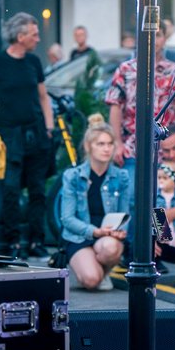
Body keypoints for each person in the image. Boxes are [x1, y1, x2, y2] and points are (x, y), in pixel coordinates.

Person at [106, 20, 175, 250]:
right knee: (134, 200)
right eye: (149, 34)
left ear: (165, 38)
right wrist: (116, 143)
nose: (154, 39)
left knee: (161, 199)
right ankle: (135, 250)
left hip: (165, 148)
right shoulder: (126, 70)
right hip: (133, 146)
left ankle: (158, 250)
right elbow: (115, 105)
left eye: (158, 34)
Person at [0, 12, 55, 259]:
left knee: (37, 189)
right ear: (20, 36)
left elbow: (43, 96)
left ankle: (37, 240)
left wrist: (49, 127)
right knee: (10, 189)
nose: (38, 38)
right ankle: (13, 240)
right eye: (34, 34)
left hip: (35, 132)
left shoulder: (34, 62)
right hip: (7, 134)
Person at [60, 121, 128, 290]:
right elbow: (67, 219)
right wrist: (94, 231)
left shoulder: (121, 176)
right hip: (79, 236)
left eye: (110, 143)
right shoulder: (73, 176)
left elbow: (125, 213)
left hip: (107, 237)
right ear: (88, 146)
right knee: (91, 281)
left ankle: (103, 271)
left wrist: (120, 230)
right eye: (100, 144)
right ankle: (93, 271)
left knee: (111, 248)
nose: (106, 149)